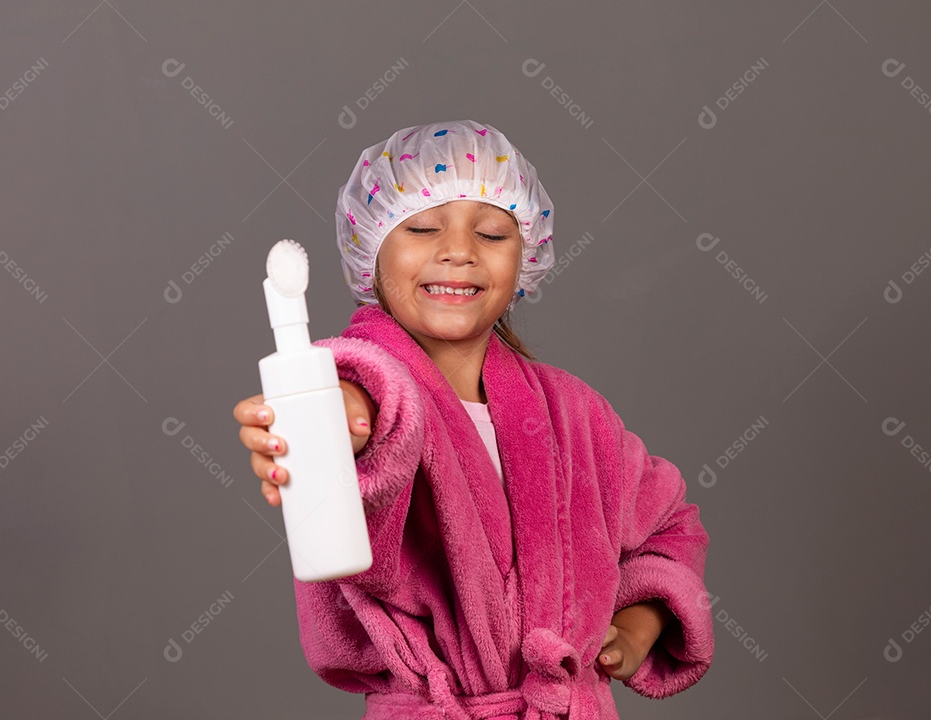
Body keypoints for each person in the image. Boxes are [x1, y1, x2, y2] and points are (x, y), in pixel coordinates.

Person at [233, 119, 714, 719]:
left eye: (490, 232)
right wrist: (345, 420)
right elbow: (374, 419)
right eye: (424, 227)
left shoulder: (574, 414)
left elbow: (671, 525)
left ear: (526, 257)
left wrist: (639, 625)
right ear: (370, 253)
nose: (458, 250)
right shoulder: (359, 397)